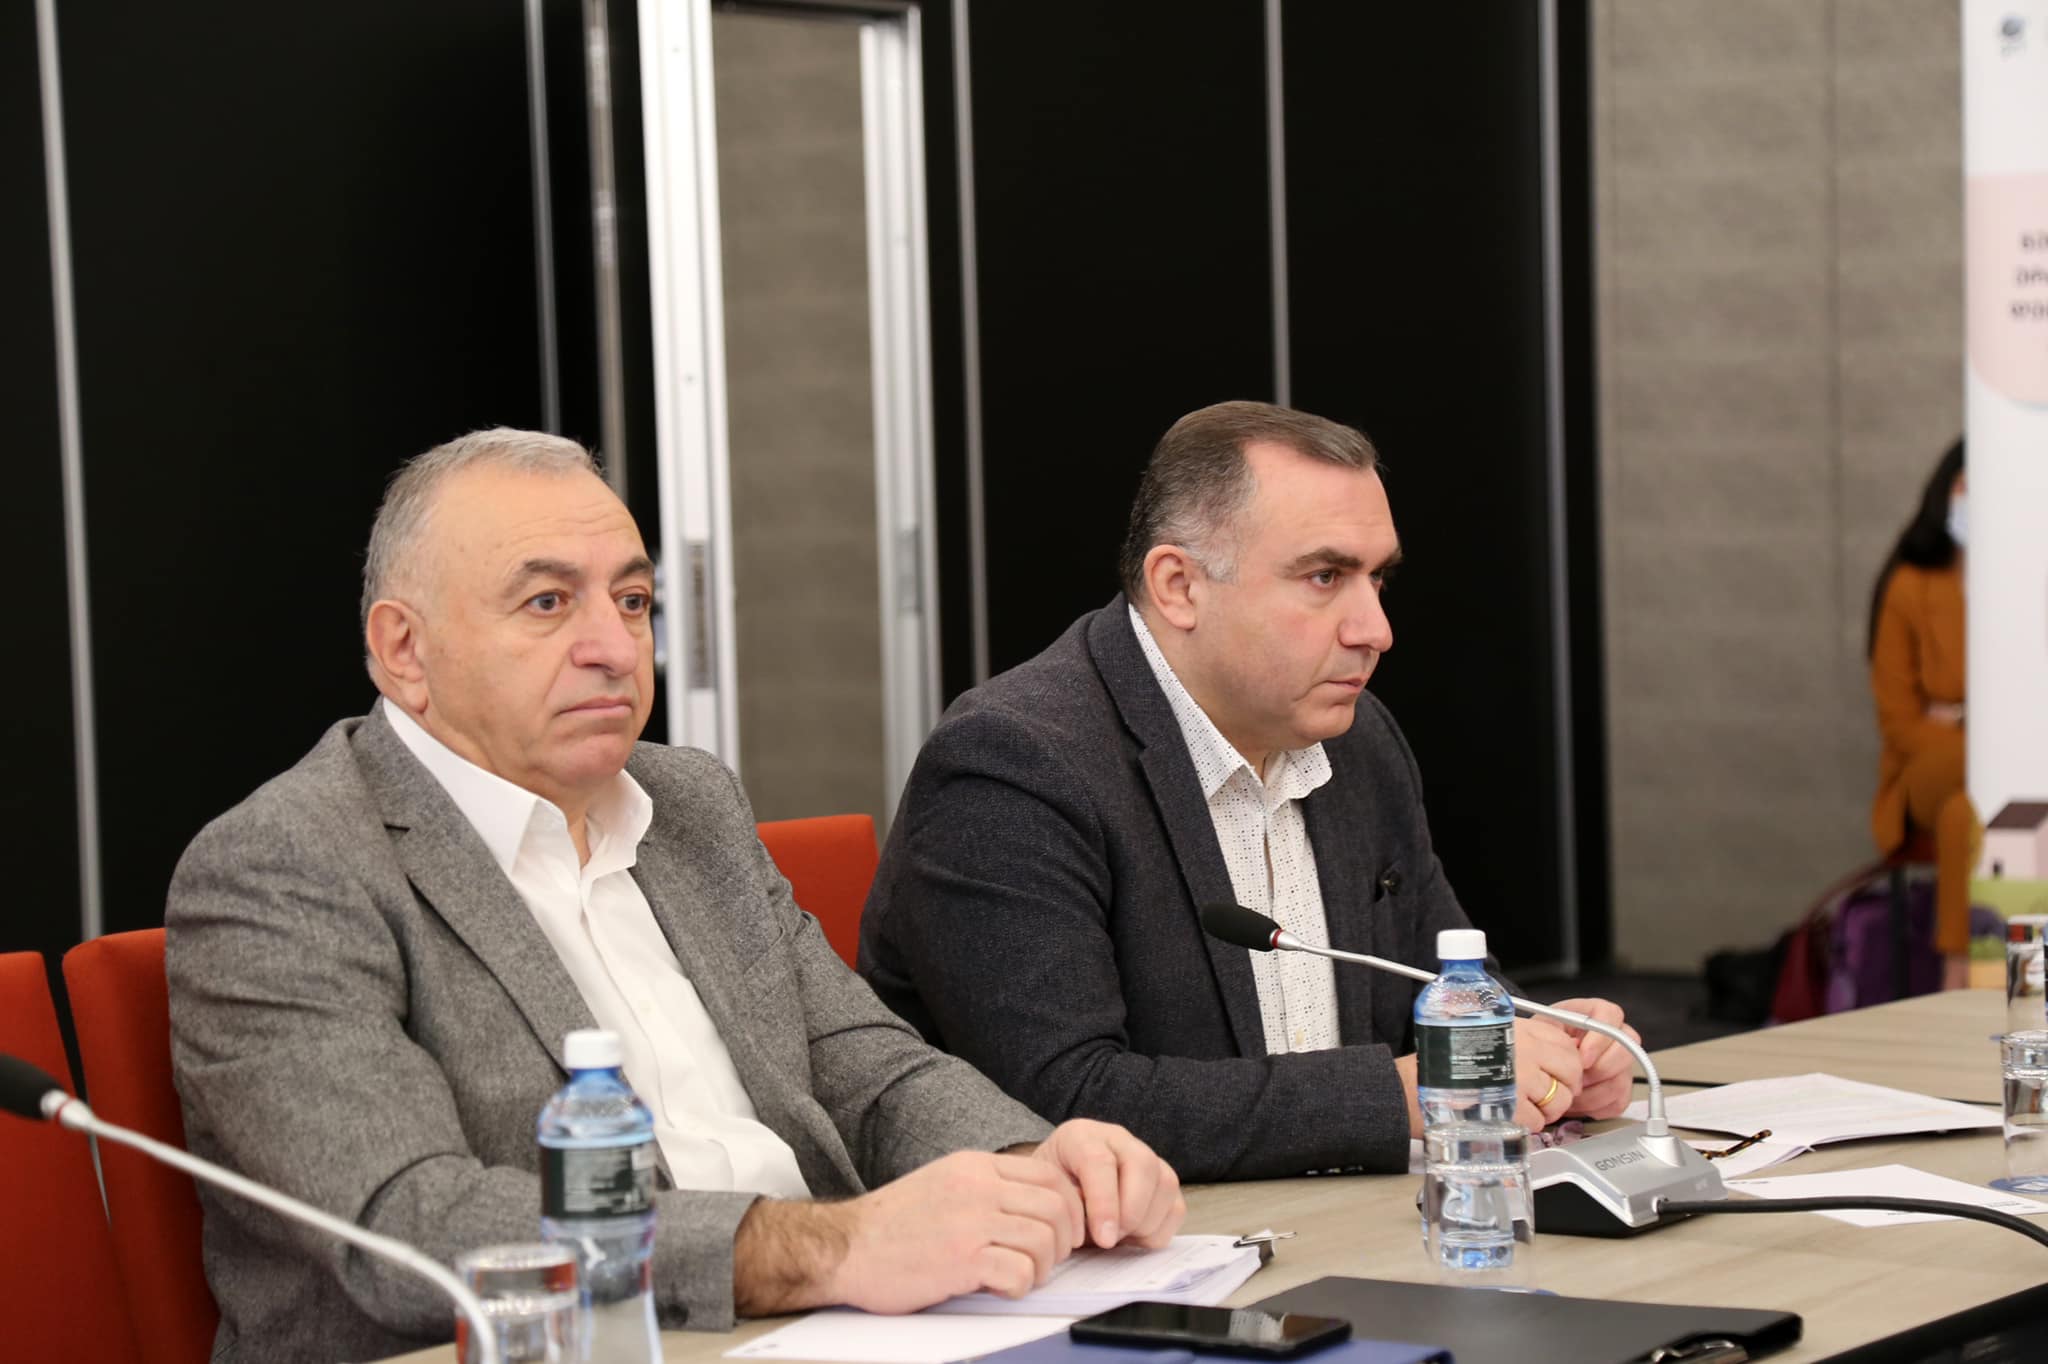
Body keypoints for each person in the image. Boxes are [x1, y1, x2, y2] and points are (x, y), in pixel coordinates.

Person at [165, 430, 1183, 1364]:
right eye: (547, 603)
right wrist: (828, 1249)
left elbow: (863, 1065)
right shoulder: (287, 865)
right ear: (404, 650)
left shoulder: (689, 803)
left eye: (633, 600)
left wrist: (1030, 1165)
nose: (615, 647)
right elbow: (407, 1224)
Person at [858, 401, 1637, 1183]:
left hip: (1347, 1219)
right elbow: (1064, 1101)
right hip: (1116, 1242)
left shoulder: (1358, 739)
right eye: (1325, 577)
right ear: (1179, 586)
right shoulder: (1014, 765)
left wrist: (1548, 1046)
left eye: (1378, 579)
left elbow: (1445, 982)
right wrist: (1395, 1095)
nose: (1375, 629)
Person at [1867, 438, 1971, 988]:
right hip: (1923, 770)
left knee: (1966, 817)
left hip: (1983, 783)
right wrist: (1978, 729)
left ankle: (1962, 977)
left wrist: (1955, 712)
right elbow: (1901, 723)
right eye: (1968, 486)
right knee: (1981, 782)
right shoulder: (1912, 585)